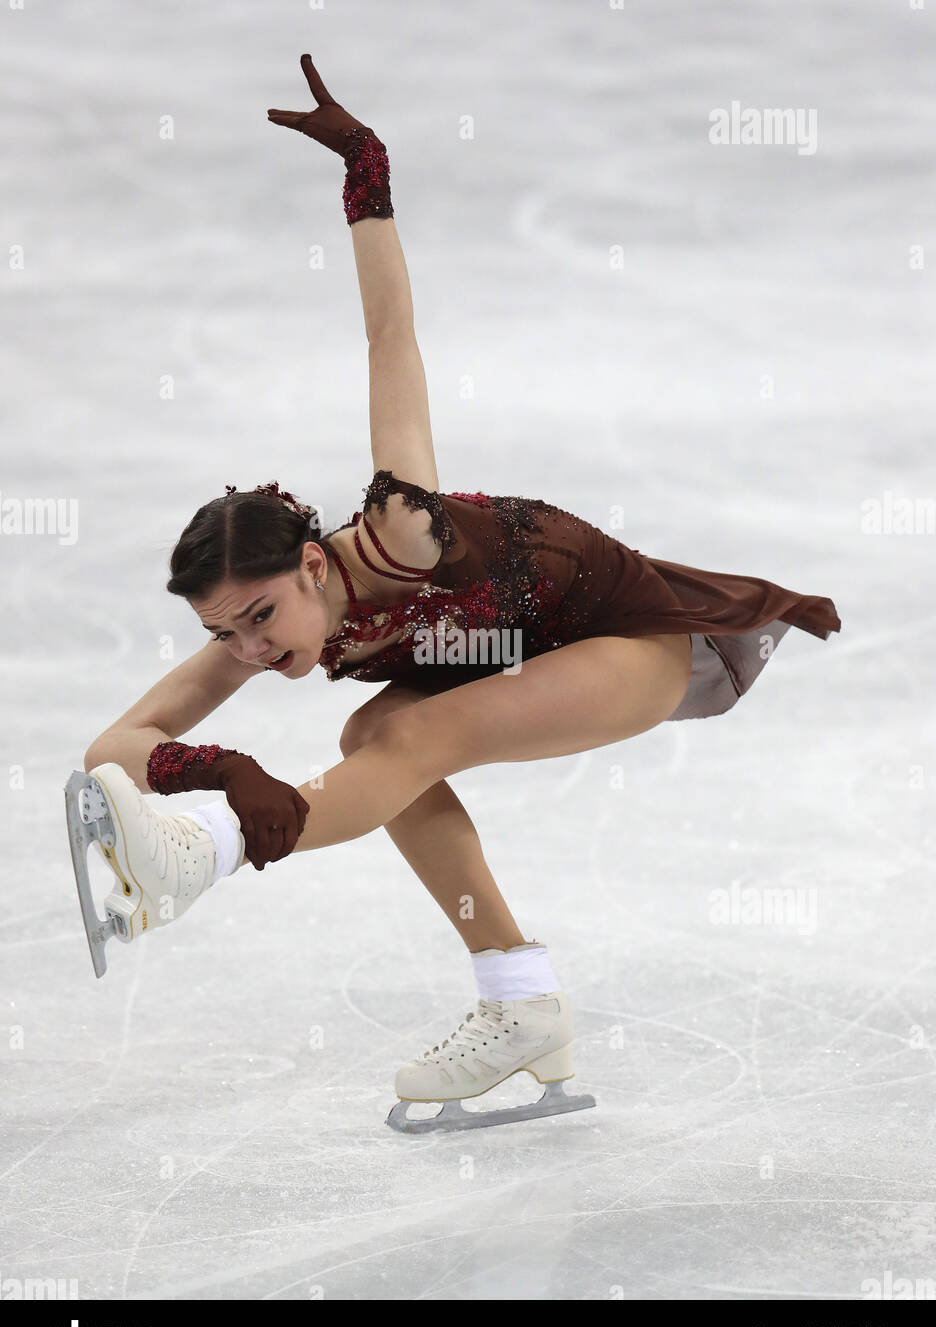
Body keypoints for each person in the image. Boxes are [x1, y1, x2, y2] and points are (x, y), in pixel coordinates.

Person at [67, 55, 840, 1134]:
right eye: (223, 633)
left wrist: (366, 175)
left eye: (257, 618)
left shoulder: (399, 531)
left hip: (632, 638)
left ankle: (209, 857)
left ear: (310, 563)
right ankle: (520, 1002)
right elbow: (112, 744)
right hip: (516, 649)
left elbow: (392, 338)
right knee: (375, 719)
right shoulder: (265, 630)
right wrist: (220, 764)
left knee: (407, 737)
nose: (245, 649)